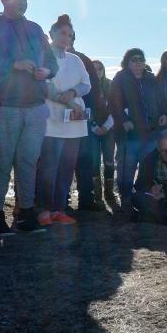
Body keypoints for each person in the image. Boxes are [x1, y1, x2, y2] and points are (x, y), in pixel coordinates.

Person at [0, 0, 58, 235]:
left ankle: (25, 214)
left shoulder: (35, 29)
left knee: (28, 161)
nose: (23, 3)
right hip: (2, 106)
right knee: (2, 160)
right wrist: (13, 65)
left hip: (35, 106)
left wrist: (47, 71)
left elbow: (52, 62)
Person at [35, 15, 91, 225]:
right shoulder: (43, 56)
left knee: (67, 168)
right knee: (48, 168)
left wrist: (74, 92)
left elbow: (87, 85)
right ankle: (44, 209)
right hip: (52, 120)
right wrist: (67, 100)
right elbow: (44, 86)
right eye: (62, 33)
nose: (66, 37)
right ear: (52, 34)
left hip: (74, 122)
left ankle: (59, 208)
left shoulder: (75, 60)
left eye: (70, 34)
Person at [109, 47, 167, 215]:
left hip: (151, 133)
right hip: (130, 134)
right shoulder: (120, 79)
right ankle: (126, 198)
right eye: (133, 60)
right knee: (126, 167)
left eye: (140, 59)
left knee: (147, 167)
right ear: (127, 62)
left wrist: (164, 113)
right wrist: (124, 120)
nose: (137, 63)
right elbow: (113, 103)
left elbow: (161, 99)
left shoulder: (150, 78)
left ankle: (143, 197)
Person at [67, 39, 105, 212]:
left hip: (82, 117)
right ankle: (61, 200)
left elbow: (93, 89)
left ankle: (86, 198)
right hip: (57, 118)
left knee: (84, 160)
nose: (67, 39)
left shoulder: (83, 60)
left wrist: (89, 113)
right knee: (63, 161)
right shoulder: (51, 58)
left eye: (70, 36)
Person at [88, 58, 117, 207]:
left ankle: (109, 192)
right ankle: (97, 194)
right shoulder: (87, 87)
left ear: (104, 70)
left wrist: (106, 126)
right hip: (92, 130)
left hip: (109, 129)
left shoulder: (111, 85)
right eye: (94, 68)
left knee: (109, 161)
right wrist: (94, 126)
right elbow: (86, 110)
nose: (97, 71)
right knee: (94, 162)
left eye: (100, 68)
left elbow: (116, 108)